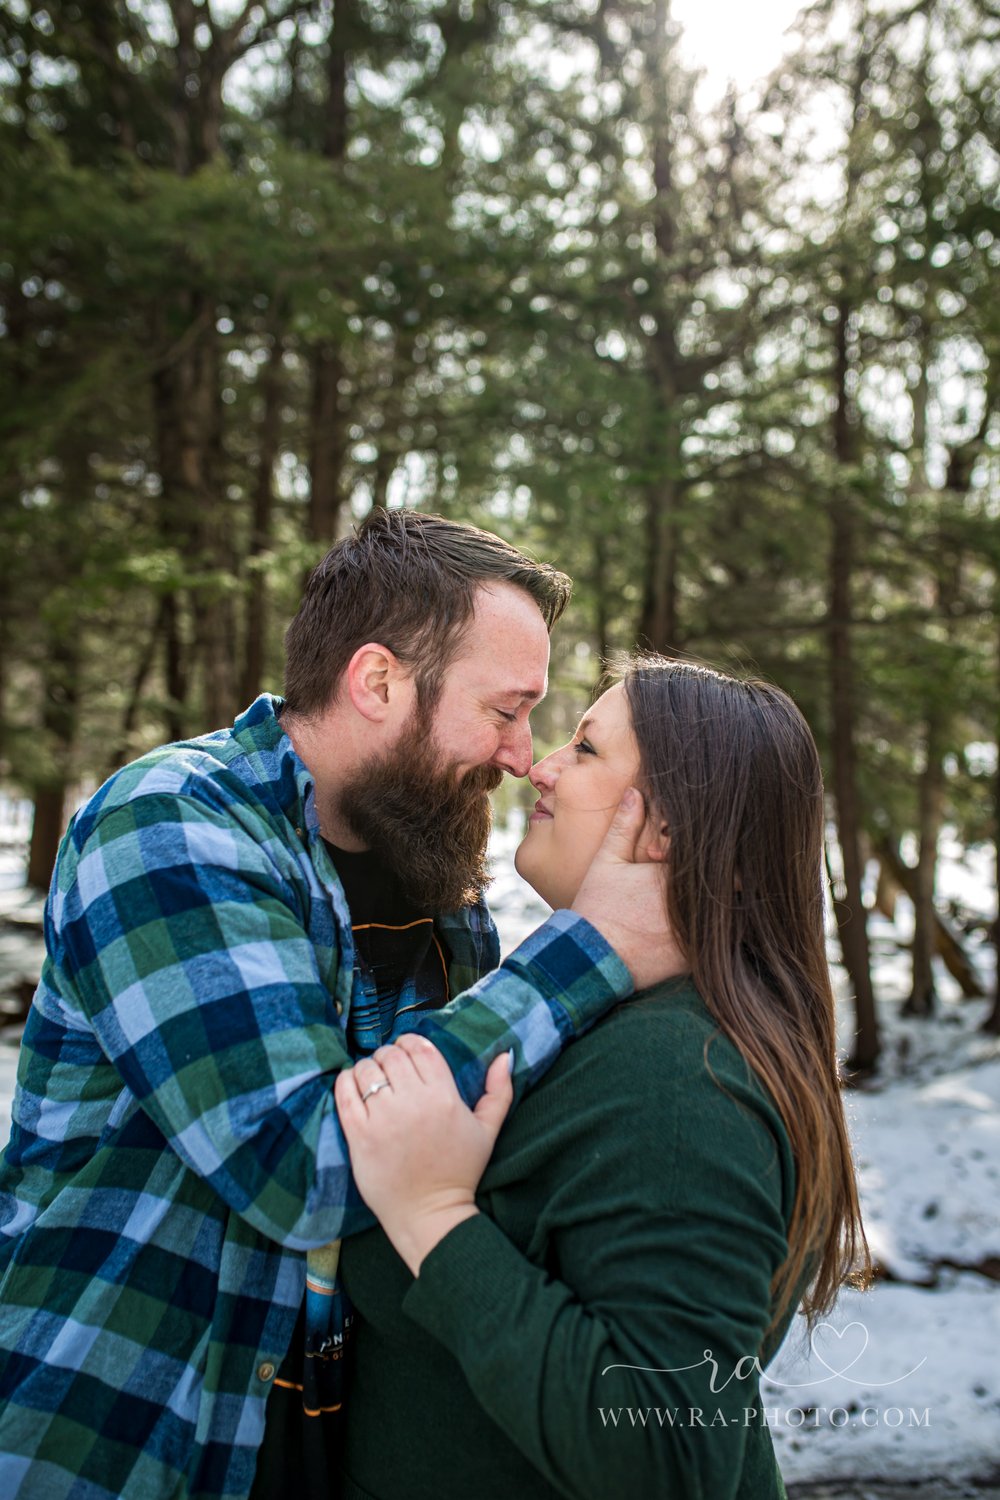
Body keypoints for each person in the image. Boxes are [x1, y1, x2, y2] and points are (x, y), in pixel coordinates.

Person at [0, 511, 676, 1500]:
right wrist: (598, 952)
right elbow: (301, 1168)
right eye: (503, 709)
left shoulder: (433, 866)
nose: (521, 754)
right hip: (129, 1434)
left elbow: (467, 1138)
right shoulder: (174, 824)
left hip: (336, 1448)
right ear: (377, 682)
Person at [334, 656, 873, 1500]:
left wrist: (434, 1220)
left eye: (584, 750)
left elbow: (670, 1455)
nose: (539, 766)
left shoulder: (682, 1078)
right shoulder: (621, 1027)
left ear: (668, 831)